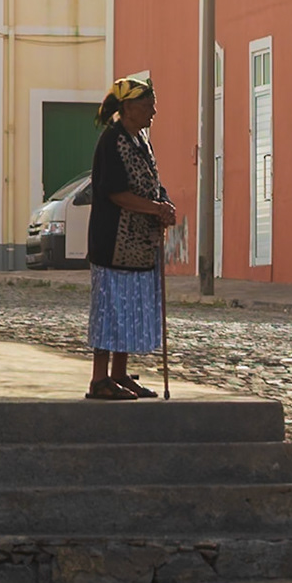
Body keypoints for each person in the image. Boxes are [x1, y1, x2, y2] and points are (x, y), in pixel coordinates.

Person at [84, 76, 176, 400]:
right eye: (147, 105)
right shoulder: (112, 142)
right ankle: (99, 380)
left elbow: (153, 181)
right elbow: (117, 193)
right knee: (110, 309)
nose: (153, 111)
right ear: (128, 108)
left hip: (138, 246)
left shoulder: (141, 140)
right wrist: (154, 208)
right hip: (113, 243)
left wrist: (164, 205)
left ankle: (119, 374)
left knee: (129, 309)